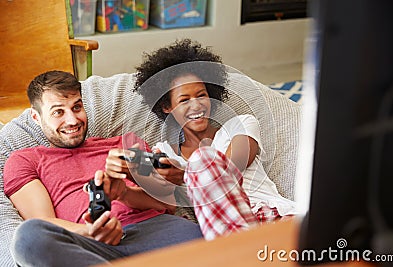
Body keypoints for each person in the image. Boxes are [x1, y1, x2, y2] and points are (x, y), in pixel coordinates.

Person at [3, 70, 202, 267]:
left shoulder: (125, 144)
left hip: (156, 231)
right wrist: (92, 232)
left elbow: (166, 204)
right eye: (58, 112)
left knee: (209, 240)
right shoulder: (24, 160)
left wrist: (124, 191)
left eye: (77, 107)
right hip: (88, 246)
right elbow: (43, 221)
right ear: (36, 117)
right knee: (27, 238)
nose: (72, 120)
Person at [128, 38, 298, 240]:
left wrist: (184, 174)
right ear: (167, 107)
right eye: (184, 100)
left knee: (204, 159)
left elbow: (228, 169)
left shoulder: (241, 124)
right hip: (223, 233)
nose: (196, 105)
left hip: (277, 219)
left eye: (201, 95)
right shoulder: (164, 152)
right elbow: (164, 201)